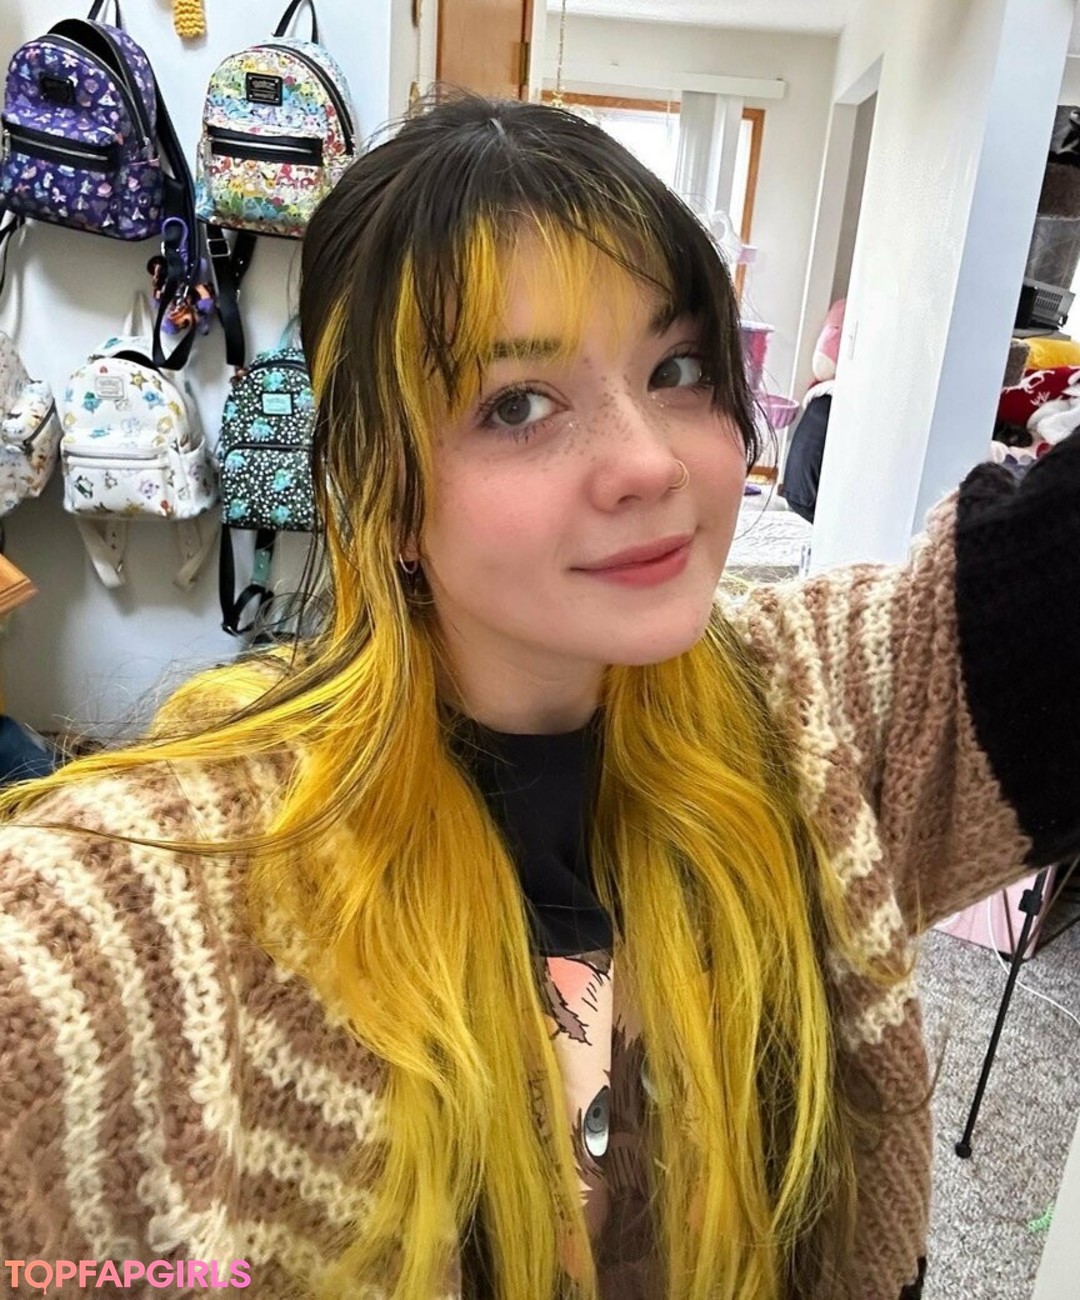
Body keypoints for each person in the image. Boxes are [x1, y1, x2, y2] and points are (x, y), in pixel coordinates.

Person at [0, 93, 1077, 1300]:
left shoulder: (806, 716)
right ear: (387, 496)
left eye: (677, 369)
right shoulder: (199, 882)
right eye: (517, 404)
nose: (652, 462)